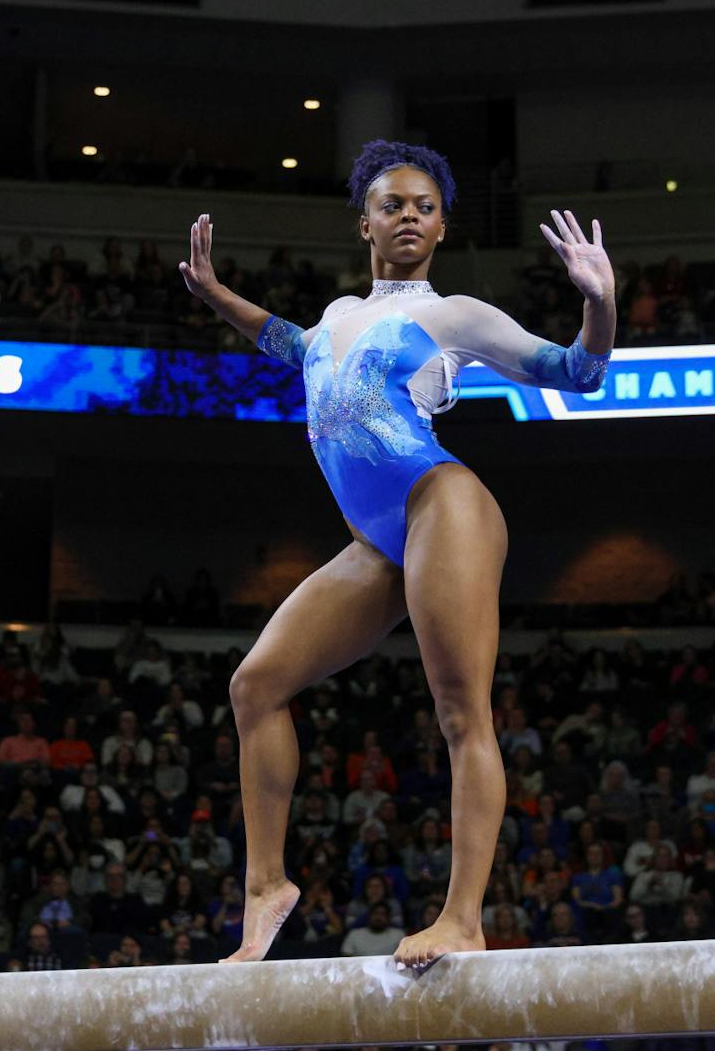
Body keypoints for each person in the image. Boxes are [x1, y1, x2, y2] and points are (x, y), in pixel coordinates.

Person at [177, 139, 615, 970]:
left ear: (442, 226)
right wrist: (211, 291)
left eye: (424, 206)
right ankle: (267, 885)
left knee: (459, 712)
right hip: (377, 540)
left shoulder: (455, 317)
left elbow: (580, 371)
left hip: (440, 503)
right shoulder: (336, 319)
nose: (408, 215)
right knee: (255, 686)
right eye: (392, 204)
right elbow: (284, 341)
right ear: (365, 225)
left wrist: (600, 303)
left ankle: (462, 916)